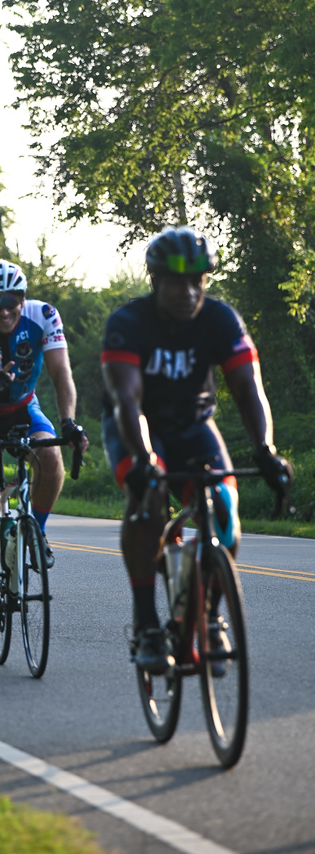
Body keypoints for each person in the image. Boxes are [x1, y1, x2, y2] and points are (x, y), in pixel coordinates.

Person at [101, 226, 292, 675]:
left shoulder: (221, 319)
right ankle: (148, 624)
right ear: (155, 280)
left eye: (197, 281)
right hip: (136, 426)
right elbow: (128, 401)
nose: (189, 292)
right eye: (177, 282)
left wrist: (265, 450)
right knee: (147, 500)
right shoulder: (128, 323)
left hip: (192, 426)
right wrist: (144, 459)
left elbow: (248, 389)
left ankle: (209, 617)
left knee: (225, 511)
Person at [0, 258, 87, 655]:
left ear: (22, 298)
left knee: (51, 460)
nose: (4, 309)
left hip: (25, 408)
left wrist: (68, 422)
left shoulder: (43, 316)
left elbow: (62, 374)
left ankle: (36, 532)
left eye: (11, 299)